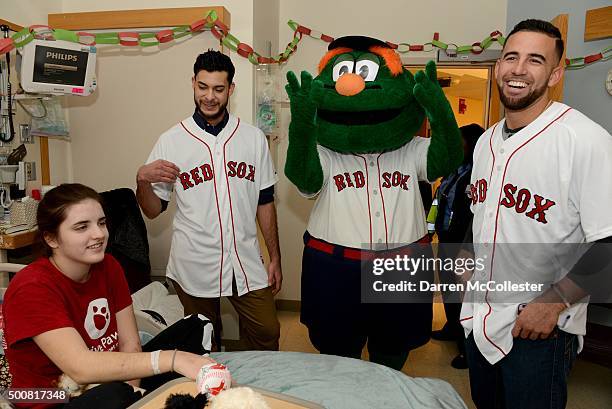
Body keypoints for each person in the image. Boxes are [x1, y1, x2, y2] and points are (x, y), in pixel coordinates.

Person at [461, 19, 612, 409]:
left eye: (535, 60)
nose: (518, 69)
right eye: (511, 57)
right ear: (498, 67)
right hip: (480, 316)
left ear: (555, 74)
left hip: (540, 327)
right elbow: (480, 211)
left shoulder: (585, 140)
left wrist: (554, 302)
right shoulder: (486, 142)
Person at [2, 184, 217, 409]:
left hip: (105, 381)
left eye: (101, 223)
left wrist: (133, 392)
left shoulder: (108, 266)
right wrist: (173, 359)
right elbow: (80, 367)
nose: (99, 234)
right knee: (115, 393)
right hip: (48, 397)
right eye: (82, 227)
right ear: (52, 239)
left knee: (195, 326)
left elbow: (130, 343)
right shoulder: (31, 287)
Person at [136, 50, 281, 352]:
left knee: (267, 332)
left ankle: (250, 388)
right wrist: (142, 180)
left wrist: (275, 257)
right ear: (193, 84)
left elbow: (264, 202)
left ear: (231, 89)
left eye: (218, 89)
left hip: (245, 258)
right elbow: (152, 211)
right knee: (202, 342)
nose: (210, 97)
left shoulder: (252, 138)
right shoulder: (172, 140)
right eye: (203, 87)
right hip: (194, 262)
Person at [430, 123, 484, 369]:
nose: (455, 146)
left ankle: (467, 349)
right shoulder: (454, 171)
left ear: (470, 145)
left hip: (463, 242)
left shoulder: (478, 174)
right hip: (445, 237)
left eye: (459, 142)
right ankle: (452, 327)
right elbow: (440, 201)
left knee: (464, 297)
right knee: (450, 291)